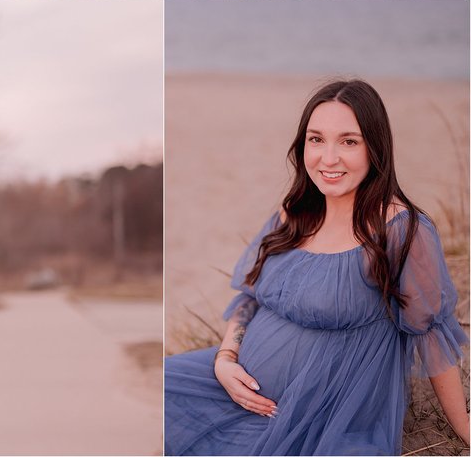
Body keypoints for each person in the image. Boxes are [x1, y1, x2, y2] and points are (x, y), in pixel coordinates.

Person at [164, 78, 469, 456]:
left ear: (375, 148)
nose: (328, 158)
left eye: (349, 141)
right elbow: (249, 300)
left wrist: (465, 429)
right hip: (229, 388)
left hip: (324, 415)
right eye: (316, 139)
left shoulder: (401, 230)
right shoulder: (293, 215)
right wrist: (226, 361)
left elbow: (431, 332)